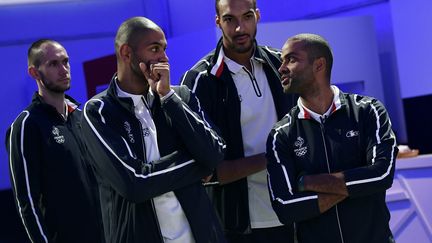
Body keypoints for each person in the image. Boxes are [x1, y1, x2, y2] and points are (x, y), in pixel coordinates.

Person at [80, 16, 227, 243]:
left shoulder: (181, 97)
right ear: (127, 53)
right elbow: (134, 182)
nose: (164, 58)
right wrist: (199, 163)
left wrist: (168, 98)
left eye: (164, 49)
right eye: (154, 49)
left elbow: (216, 153)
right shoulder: (98, 111)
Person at [181, 0, 296, 242]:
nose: (239, 28)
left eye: (247, 17)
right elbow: (204, 169)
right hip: (235, 224)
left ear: (257, 16)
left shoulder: (281, 66)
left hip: (292, 212)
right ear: (218, 22)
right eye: (229, 19)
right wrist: (273, 156)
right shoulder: (199, 80)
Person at [266, 33, 398, 243]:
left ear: (319, 65)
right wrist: (355, 187)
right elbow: (284, 207)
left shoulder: (368, 110)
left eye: (291, 59)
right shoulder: (281, 133)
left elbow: (382, 175)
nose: (281, 68)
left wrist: (306, 181)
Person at [5, 39, 104, 243]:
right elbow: (27, 202)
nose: (63, 69)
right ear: (34, 73)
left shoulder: (82, 116)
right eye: (53, 64)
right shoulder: (27, 125)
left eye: (65, 62)